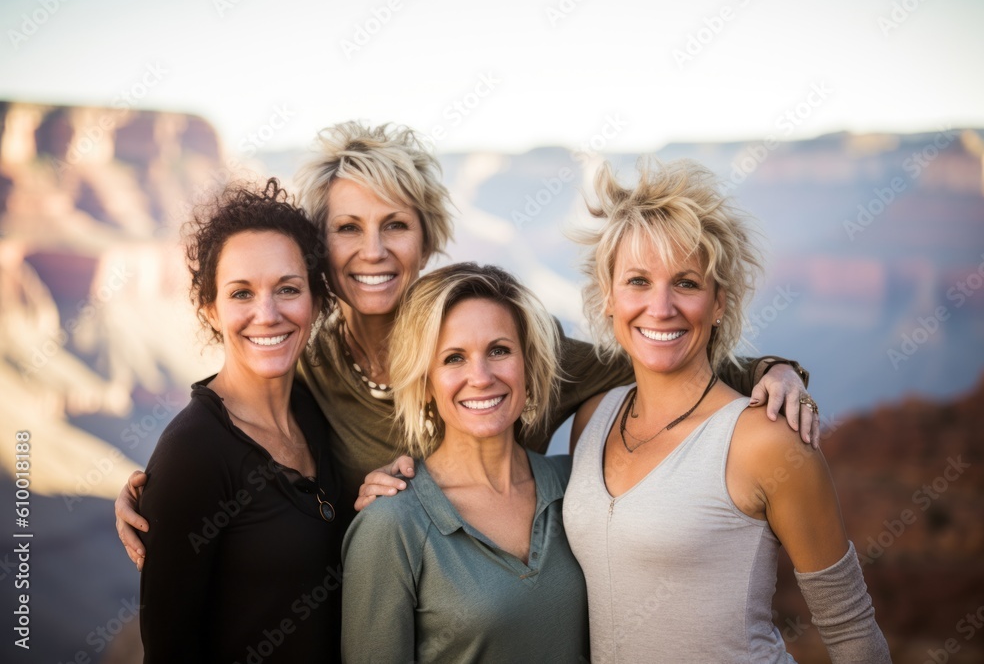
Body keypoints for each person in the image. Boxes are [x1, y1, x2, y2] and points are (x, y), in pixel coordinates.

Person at [116, 121, 814, 569]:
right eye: (348, 228)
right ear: (318, 247)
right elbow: (241, 415)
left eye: (396, 224)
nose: (373, 251)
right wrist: (162, 489)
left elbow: (652, 348)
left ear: (427, 236)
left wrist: (768, 368)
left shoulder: (498, 344)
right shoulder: (312, 366)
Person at [562, 157, 890, 662]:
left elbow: (852, 633)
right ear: (608, 296)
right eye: (638, 281)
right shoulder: (594, 418)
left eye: (687, 283)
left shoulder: (766, 440)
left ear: (719, 304)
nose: (662, 306)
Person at [138, 179, 347, 663]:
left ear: (315, 301)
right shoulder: (193, 453)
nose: (267, 314)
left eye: (288, 289)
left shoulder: (317, 410)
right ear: (210, 309)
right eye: (241, 294)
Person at [341, 263, 588, 662]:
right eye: (454, 358)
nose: (481, 376)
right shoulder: (391, 524)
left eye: (499, 350)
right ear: (425, 384)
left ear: (528, 364)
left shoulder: (577, 485)